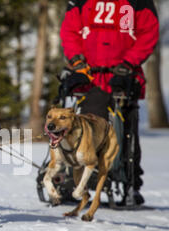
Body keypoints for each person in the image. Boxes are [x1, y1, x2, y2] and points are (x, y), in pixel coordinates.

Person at [59, 0, 159, 206]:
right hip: (91, 76)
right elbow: (70, 31)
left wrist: (129, 62)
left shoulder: (139, 3)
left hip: (123, 75)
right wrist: (77, 62)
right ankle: (77, 172)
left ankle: (129, 180)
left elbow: (148, 32)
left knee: (127, 130)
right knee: (83, 124)